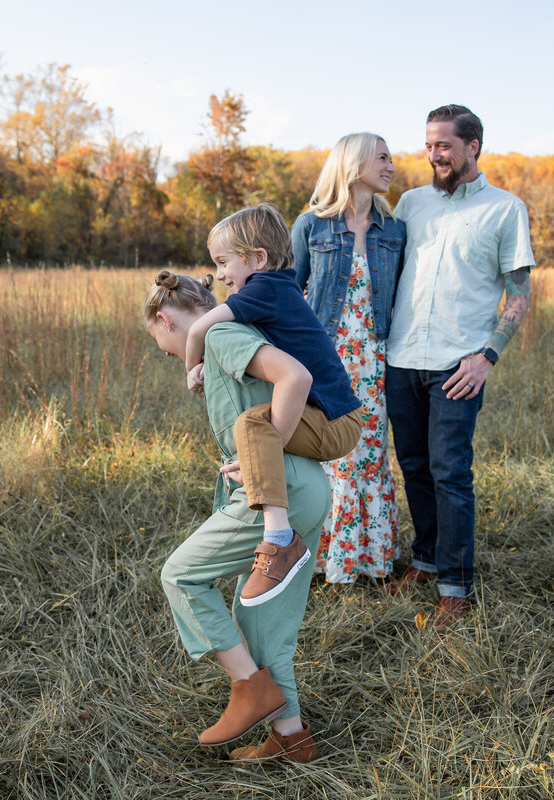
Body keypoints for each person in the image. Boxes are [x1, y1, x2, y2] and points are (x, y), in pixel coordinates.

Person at [146, 269, 325, 764]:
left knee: (181, 575)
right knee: (264, 627)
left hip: (275, 492)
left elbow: (296, 377)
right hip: (307, 489)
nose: (172, 357)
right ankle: (293, 742)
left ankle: (249, 687)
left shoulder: (222, 334)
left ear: (164, 319)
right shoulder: (235, 334)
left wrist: (261, 462)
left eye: (165, 346)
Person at [384, 104, 535, 626]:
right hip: (400, 359)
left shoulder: (505, 209)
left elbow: (520, 293)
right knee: (415, 467)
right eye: (428, 146)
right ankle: (425, 560)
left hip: (458, 365)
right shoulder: (409, 203)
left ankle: (455, 584)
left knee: (451, 472)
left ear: (474, 147)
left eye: (443, 145)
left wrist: (487, 356)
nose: (433, 156)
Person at [184, 203, 362, 607]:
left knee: (252, 426)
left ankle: (280, 540)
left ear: (258, 259)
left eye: (224, 262)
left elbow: (198, 327)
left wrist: (192, 366)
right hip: (337, 416)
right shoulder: (278, 288)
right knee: (255, 427)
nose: (222, 274)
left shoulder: (264, 289)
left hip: (335, 421)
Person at [291, 133, 405, 584]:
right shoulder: (311, 226)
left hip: (375, 362)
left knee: (369, 455)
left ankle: (368, 558)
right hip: (325, 362)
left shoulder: (394, 228)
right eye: (382, 157)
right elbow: (288, 294)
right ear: (354, 164)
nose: (391, 165)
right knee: (329, 455)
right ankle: (320, 560)